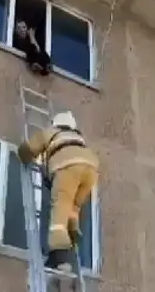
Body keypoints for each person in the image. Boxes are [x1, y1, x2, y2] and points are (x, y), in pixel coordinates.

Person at [17, 111, 99, 272]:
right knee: (73, 207)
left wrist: (22, 154)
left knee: (60, 210)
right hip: (91, 169)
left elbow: (31, 147)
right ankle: (72, 232)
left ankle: (61, 257)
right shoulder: (78, 138)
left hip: (67, 167)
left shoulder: (52, 132)